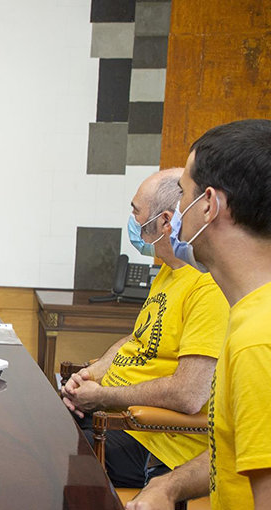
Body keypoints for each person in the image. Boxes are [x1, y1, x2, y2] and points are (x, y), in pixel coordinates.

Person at [125, 119, 271, 510]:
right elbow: (244, 456)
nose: (172, 214)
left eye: (181, 193)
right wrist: (168, 483)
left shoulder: (265, 337)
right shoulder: (263, 308)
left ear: (210, 205)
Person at [61, 169, 229, 488]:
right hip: (112, 415)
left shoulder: (208, 289)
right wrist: (95, 372)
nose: (132, 220)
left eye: (135, 211)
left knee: (45, 453)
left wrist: (102, 397)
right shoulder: (168, 272)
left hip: (150, 440)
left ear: (165, 222)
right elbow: (138, 339)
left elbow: (189, 394)